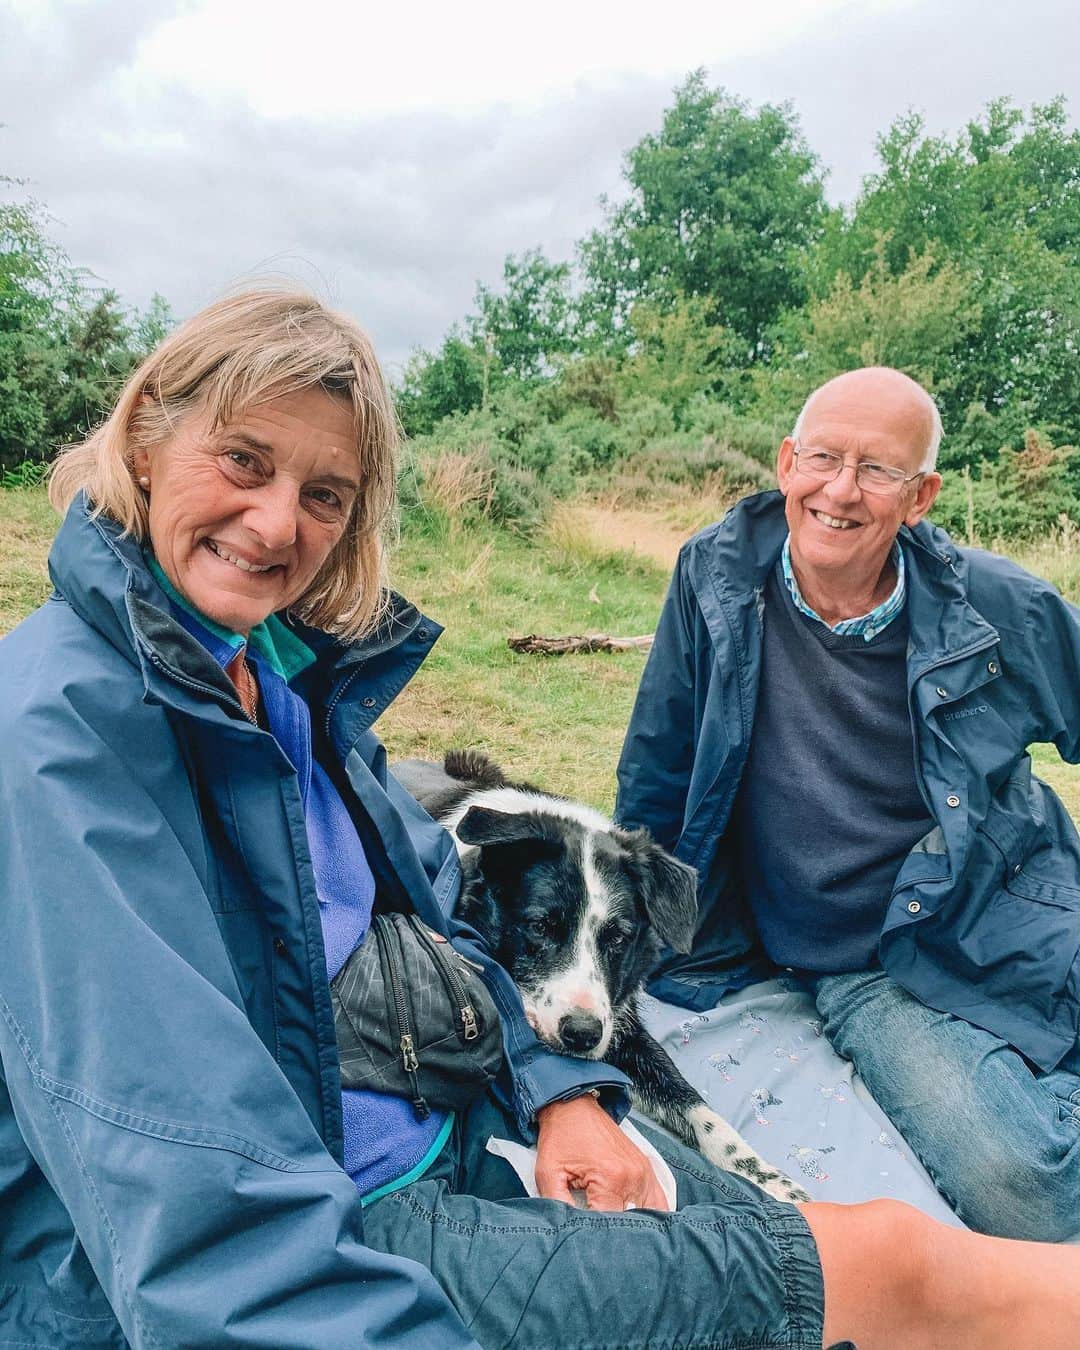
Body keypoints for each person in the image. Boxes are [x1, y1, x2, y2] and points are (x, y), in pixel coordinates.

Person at [2, 301, 1079, 1350]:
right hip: (357, 1216)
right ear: (143, 437)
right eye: (243, 461)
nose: (280, 522)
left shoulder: (280, 684)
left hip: (490, 1100)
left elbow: (438, 905)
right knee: (898, 1275)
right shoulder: (65, 742)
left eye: (325, 493)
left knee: (825, 1239)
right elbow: (190, 1202)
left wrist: (562, 1089)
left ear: (922, 495)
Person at [617, 365, 1080, 1244]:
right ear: (787, 462)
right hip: (865, 962)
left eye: (877, 470)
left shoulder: (998, 604)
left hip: (1009, 912)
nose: (840, 490)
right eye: (823, 458)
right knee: (1023, 1185)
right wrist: (643, 934)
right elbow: (659, 768)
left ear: (920, 498)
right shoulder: (713, 580)